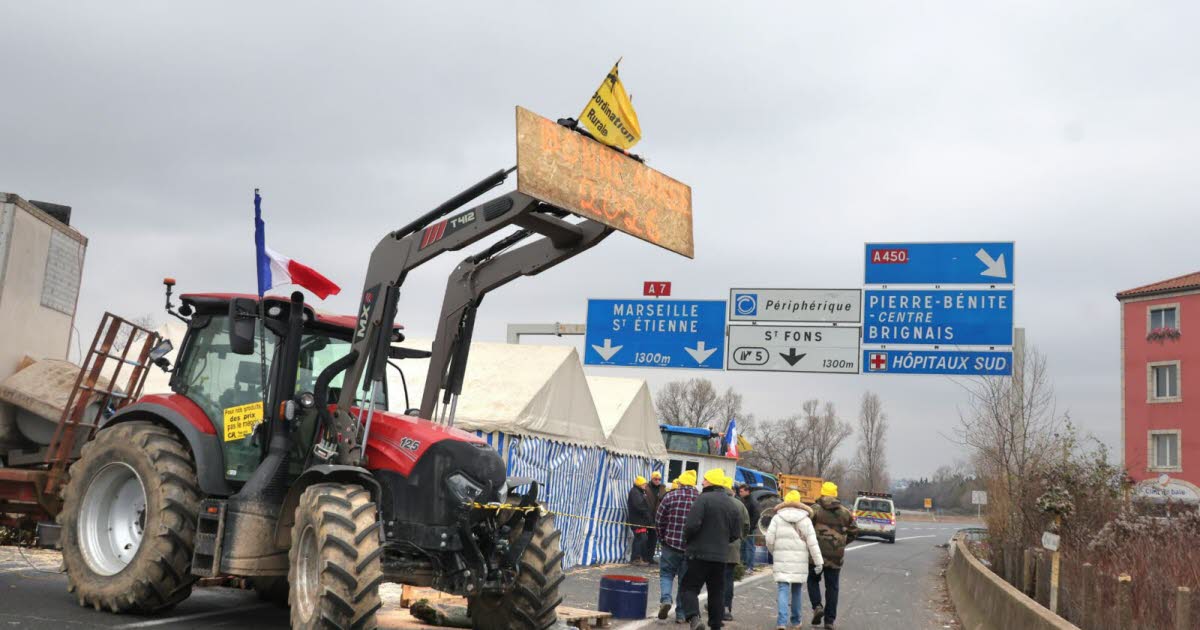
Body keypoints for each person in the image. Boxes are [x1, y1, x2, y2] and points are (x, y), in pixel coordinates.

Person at [679, 469, 742, 630]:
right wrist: (721, 542)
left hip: (698, 554)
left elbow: (691, 525)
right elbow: (736, 534)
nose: (702, 483)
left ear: (711, 482)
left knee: (689, 587)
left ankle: (694, 618)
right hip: (720, 557)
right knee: (716, 592)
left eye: (705, 480)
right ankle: (715, 625)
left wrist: (687, 539)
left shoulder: (703, 499)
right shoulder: (731, 503)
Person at [765, 490, 824, 630]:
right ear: (799, 502)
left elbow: (769, 539)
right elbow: (812, 543)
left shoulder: (777, 518)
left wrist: (775, 552)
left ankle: (781, 622)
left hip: (782, 560)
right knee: (797, 590)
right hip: (800, 562)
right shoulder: (806, 520)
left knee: (782, 589)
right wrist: (819, 562)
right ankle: (796, 621)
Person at [808, 482, 857, 630]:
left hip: (816, 555)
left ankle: (817, 606)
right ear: (835, 494)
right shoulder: (845, 512)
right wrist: (842, 543)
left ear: (822, 493)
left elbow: (806, 527)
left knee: (812, 580)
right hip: (836, 556)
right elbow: (854, 531)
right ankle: (829, 621)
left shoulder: (815, 510)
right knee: (832, 587)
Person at [655, 470, 698, 622]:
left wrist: (662, 538)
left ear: (680, 482)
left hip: (670, 545)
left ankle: (666, 600)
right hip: (690, 548)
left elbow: (659, 520)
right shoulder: (699, 499)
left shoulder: (669, 496)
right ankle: (680, 614)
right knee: (684, 582)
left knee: (666, 574)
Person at [721, 475, 749, 622]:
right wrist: (740, 539)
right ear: (731, 489)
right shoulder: (740, 505)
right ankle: (726, 608)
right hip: (733, 549)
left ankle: (714, 605)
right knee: (728, 579)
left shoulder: (716, 502)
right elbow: (746, 525)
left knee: (714, 579)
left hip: (715, 548)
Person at [626, 475, 653, 564]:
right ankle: (636, 558)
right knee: (641, 539)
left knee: (641, 538)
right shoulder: (635, 492)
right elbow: (640, 506)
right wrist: (647, 513)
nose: (645, 486)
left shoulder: (638, 492)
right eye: (644, 484)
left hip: (640, 520)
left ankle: (638, 558)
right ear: (640, 484)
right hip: (638, 521)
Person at [737, 484, 761, 572]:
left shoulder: (752, 502)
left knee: (749, 547)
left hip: (750, 529)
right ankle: (743, 565)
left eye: (741, 491)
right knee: (743, 547)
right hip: (744, 528)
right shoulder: (744, 500)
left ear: (747, 491)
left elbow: (756, 515)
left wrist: (750, 527)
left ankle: (749, 566)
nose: (740, 493)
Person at [644, 471, 666, 560]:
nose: (657, 481)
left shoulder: (662, 489)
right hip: (647, 516)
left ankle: (650, 557)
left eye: (659, 479)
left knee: (653, 539)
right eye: (655, 479)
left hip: (657, 517)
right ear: (652, 479)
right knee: (645, 539)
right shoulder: (646, 488)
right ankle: (644, 557)